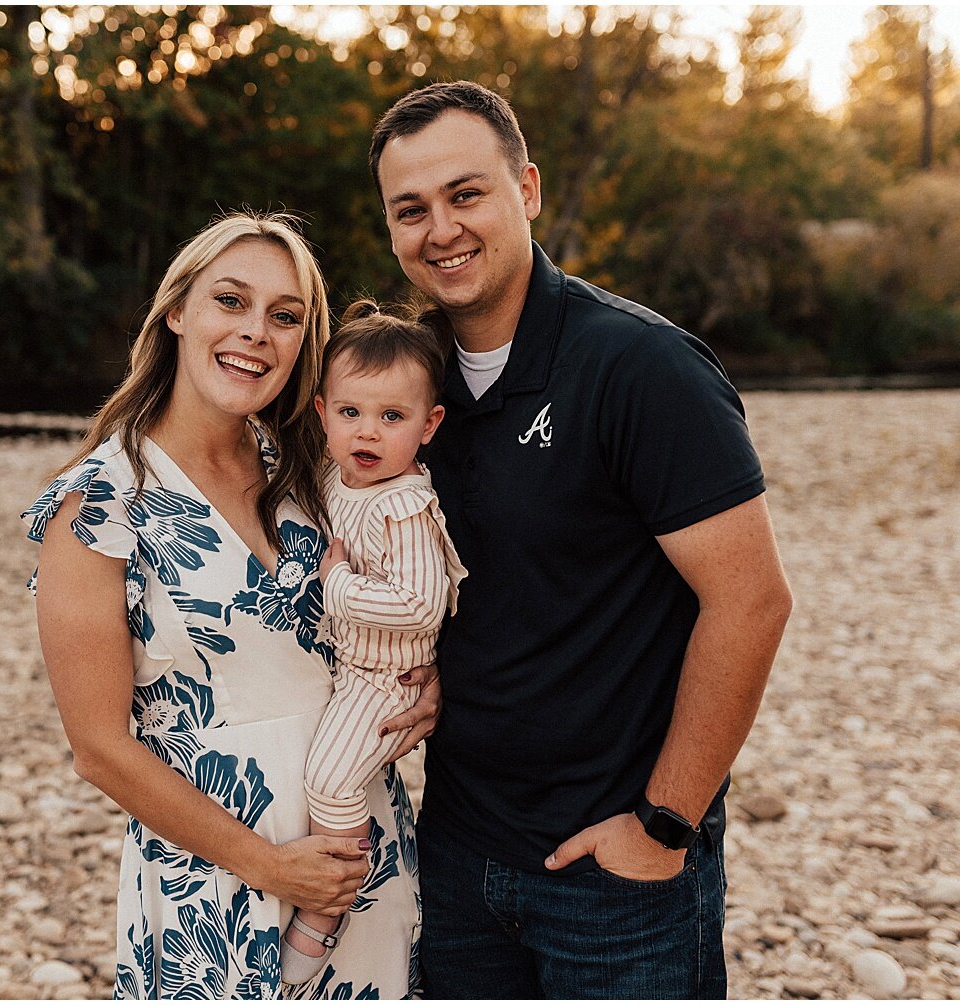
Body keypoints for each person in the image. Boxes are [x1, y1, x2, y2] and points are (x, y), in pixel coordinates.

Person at [368, 81, 795, 998]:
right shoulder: (410, 383)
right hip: (457, 857)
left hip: (614, 875)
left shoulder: (642, 366)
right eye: (411, 210)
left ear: (526, 188)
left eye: (465, 194)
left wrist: (666, 825)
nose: (440, 229)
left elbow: (752, 598)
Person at [22, 212, 434, 1000]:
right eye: (230, 301)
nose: (256, 333)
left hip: (361, 854)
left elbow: (403, 596)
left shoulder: (317, 470)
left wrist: (428, 682)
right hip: (217, 888)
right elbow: (100, 747)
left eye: (285, 317)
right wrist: (270, 865)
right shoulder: (98, 507)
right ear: (177, 311)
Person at [282, 300, 467, 984]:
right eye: (353, 412)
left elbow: (419, 606)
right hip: (349, 665)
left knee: (330, 778)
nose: (369, 431)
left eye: (392, 417)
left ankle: (333, 898)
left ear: (429, 425)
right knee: (314, 774)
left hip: (387, 680)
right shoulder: (340, 478)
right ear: (324, 411)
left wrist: (336, 586)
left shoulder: (404, 506)